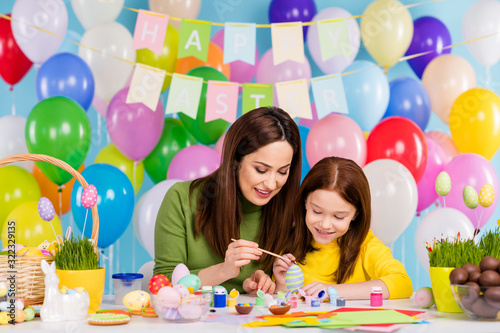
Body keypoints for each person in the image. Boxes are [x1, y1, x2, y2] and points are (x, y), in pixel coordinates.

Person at [154, 106, 302, 294]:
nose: (272, 184)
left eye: (282, 171)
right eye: (261, 170)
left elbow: (287, 292)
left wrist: (268, 283)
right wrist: (224, 271)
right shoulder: (182, 199)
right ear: (235, 161)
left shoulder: (289, 213)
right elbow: (162, 284)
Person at [273, 156, 413, 299]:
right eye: (317, 211)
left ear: (355, 214)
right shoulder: (289, 240)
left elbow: (402, 283)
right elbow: (281, 302)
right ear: (305, 202)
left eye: (339, 217)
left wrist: (332, 291)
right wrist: (281, 286)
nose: (325, 225)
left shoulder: (365, 244)